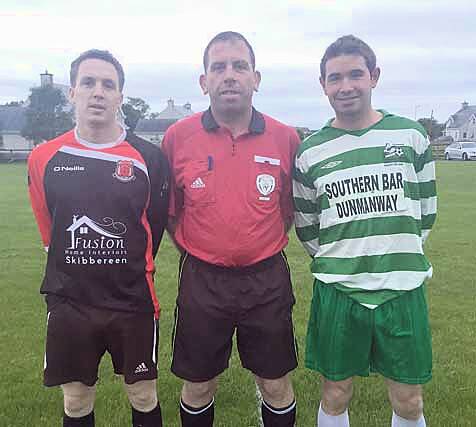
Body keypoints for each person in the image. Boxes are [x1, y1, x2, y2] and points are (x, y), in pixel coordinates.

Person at [293, 35, 436, 427]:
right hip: (339, 289)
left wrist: (394, 252)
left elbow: (425, 211)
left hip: (401, 288)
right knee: (335, 393)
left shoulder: (410, 136)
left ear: (374, 77)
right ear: (323, 84)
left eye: (356, 74)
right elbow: (307, 225)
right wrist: (346, 259)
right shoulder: (310, 151)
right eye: (335, 78)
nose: (346, 86)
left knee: (409, 400)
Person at [161, 31, 300, 426]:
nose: (230, 75)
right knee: (199, 384)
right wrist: (203, 248)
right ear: (203, 82)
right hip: (202, 278)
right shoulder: (177, 137)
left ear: (256, 78)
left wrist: (252, 242)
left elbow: (287, 209)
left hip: (267, 278)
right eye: (218, 67)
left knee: (275, 383)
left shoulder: (285, 138)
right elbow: (172, 212)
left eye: (240, 66)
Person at [28, 49, 169, 427]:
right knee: (76, 401)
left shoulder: (149, 158)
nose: (98, 92)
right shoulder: (44, 157)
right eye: (88, 83)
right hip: (70, 302)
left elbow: (152, 229)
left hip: (132, 301)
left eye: (108, 85)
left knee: (143, 395)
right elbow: (50, 231)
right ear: (72, 92)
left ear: (120, 96)